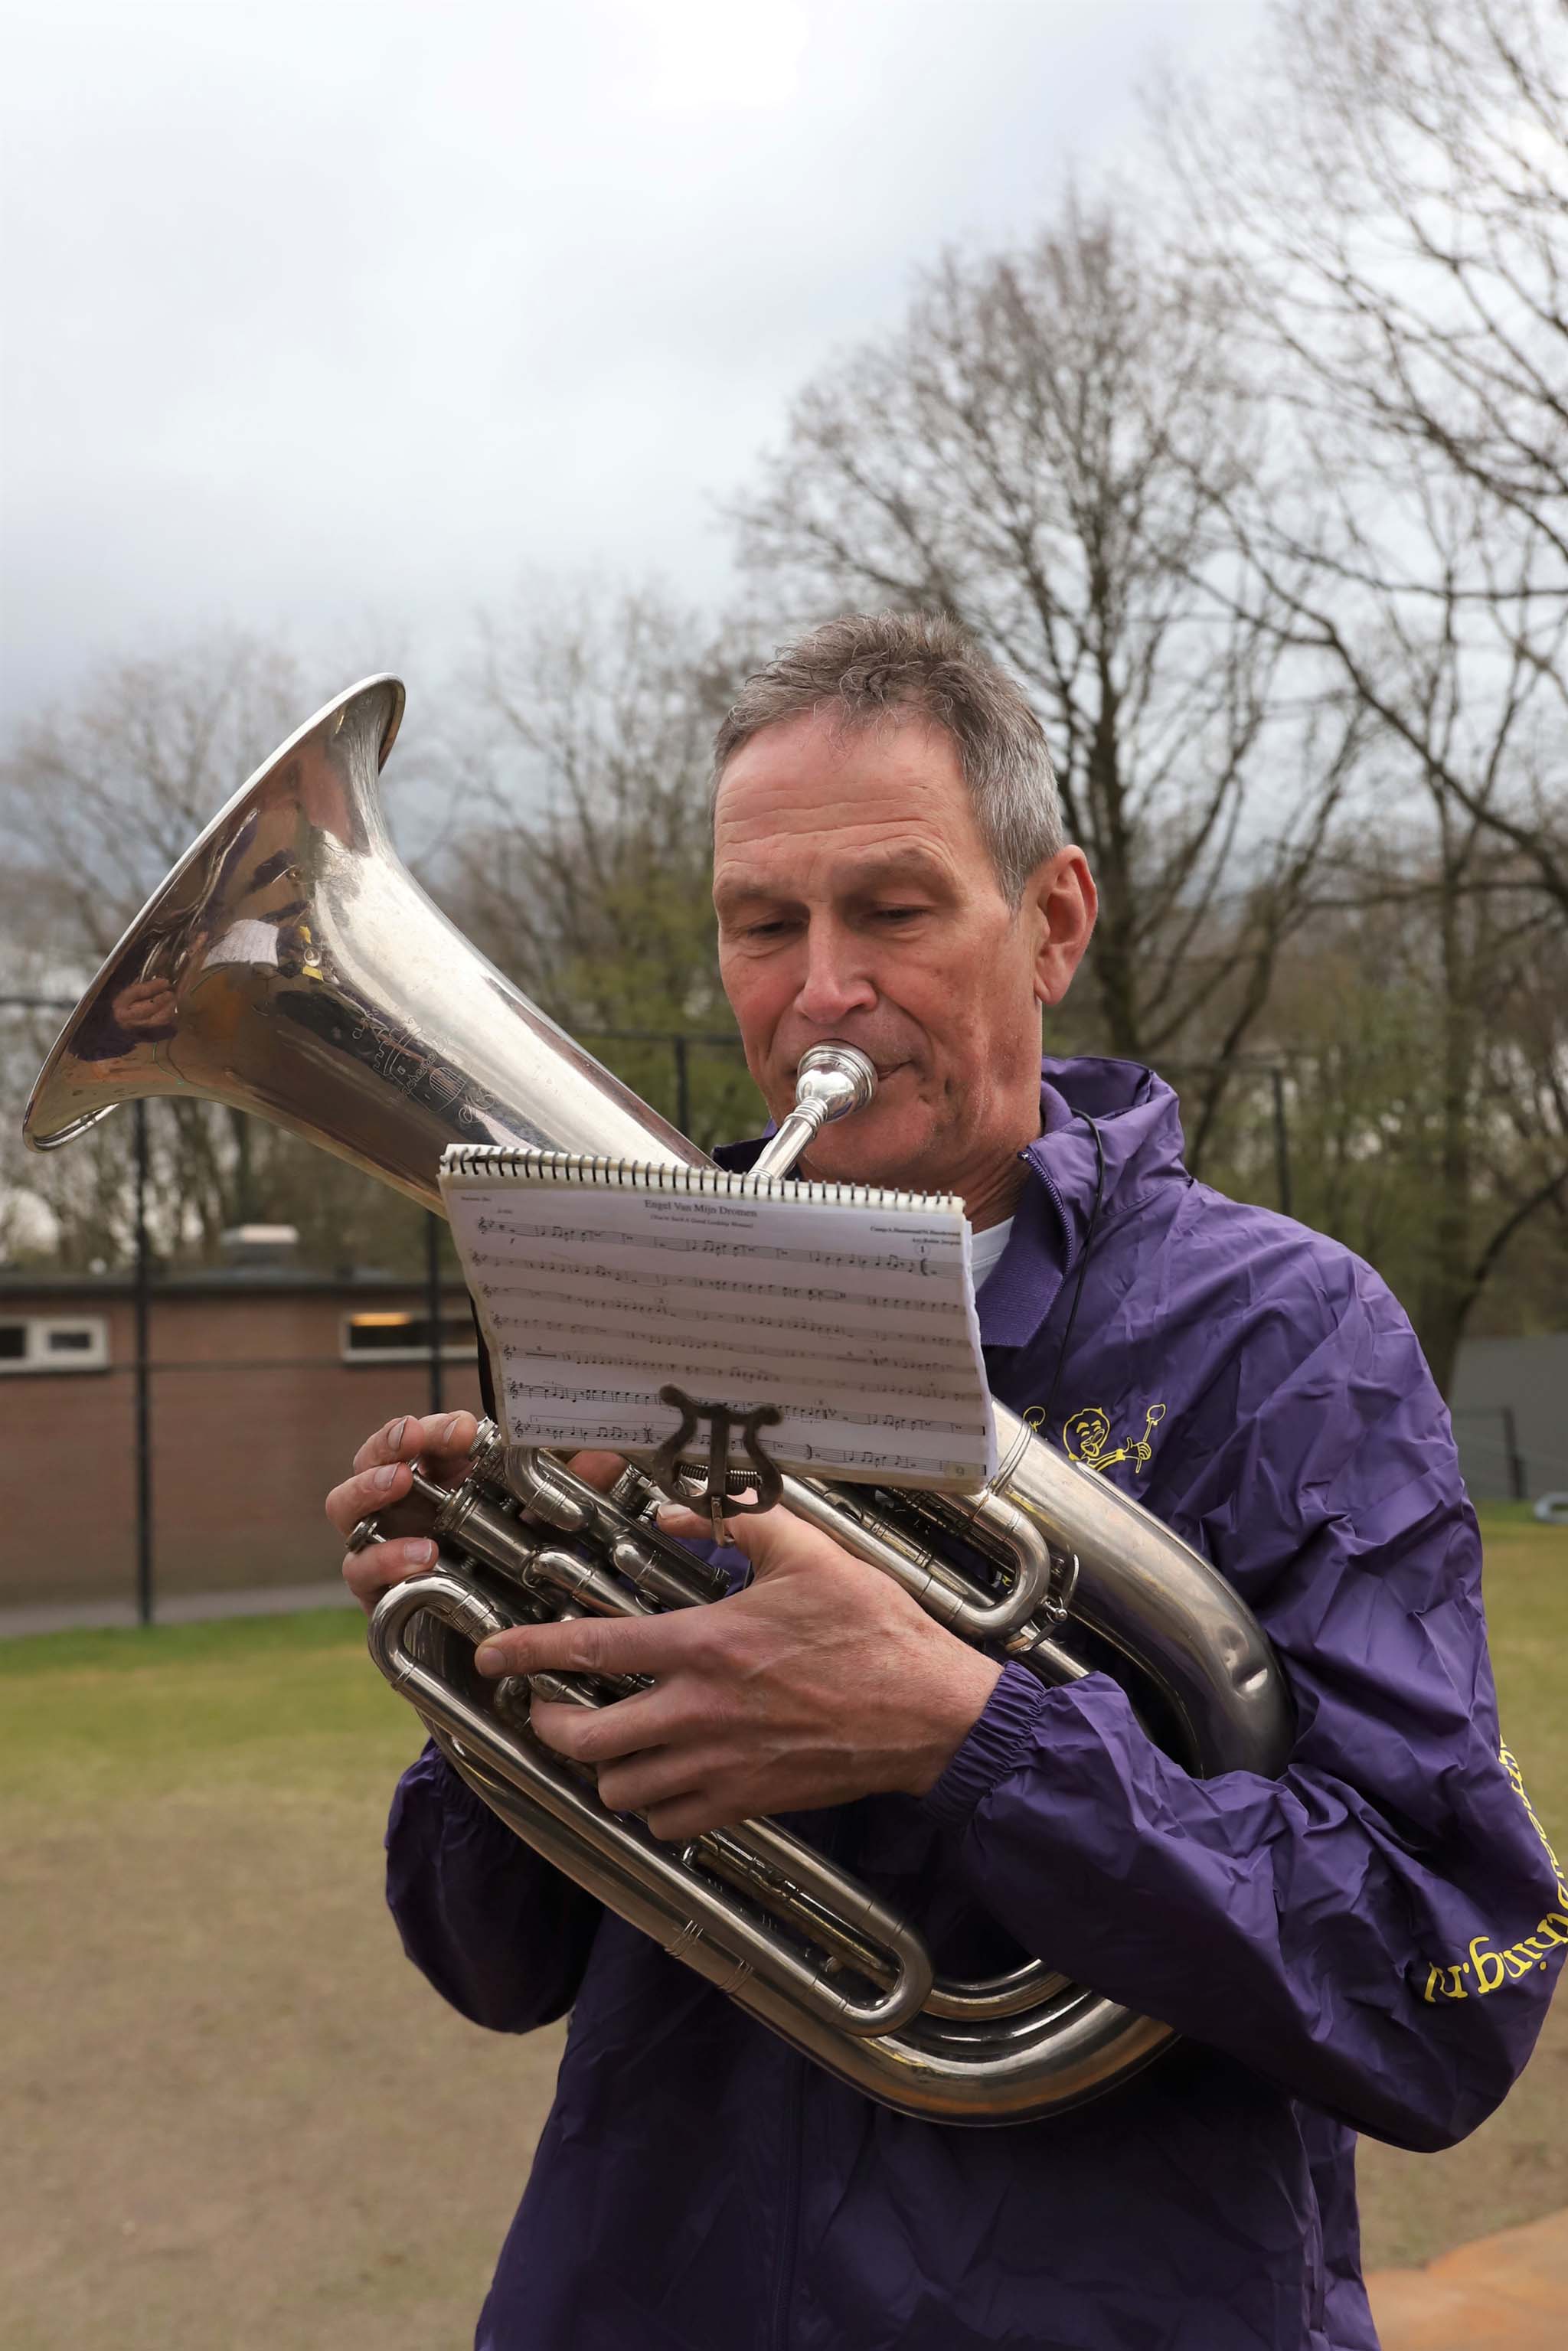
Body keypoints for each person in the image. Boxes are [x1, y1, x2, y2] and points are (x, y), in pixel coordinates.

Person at [325, 613, 1565, 2351]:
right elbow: (494, 1968)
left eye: (891, 911)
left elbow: (1447, 1989)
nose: (821, 988)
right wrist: (491, 1672)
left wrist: (966, 1736)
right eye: (765, 926)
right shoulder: (643, 1304)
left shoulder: (1286, 1340)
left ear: (1049, 922)